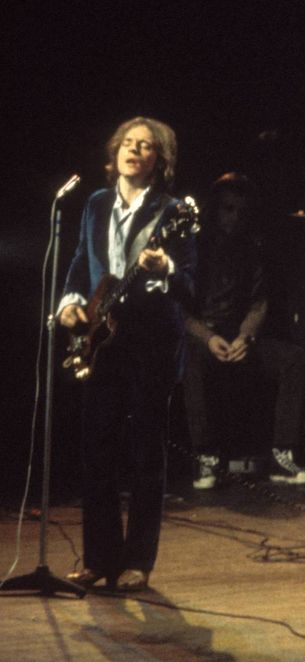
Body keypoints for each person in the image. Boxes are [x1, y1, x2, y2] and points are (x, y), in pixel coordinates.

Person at [57, 117, 198, 591]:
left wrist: (164, 268)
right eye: (129, 144)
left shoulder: (172, 211)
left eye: (146, 146)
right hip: (102, 341)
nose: (135, 151)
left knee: (144, 455)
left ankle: (139, 561)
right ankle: (99, 557)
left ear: (160, 160)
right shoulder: (96, 204)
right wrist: (71, 304)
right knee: (96, 448)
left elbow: (189, 283)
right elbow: (82, 261)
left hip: (152, 343)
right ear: (115, 151)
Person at [183, 173, 305, 489]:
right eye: (228, 209)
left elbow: (259, 302)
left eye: (241, 211)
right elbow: (180, 311)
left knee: (293, 358)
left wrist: (246, 337)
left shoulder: (253, 250)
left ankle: (283, 452)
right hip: (202, 337)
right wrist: (208, 337)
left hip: (237, 337)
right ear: (215, 210)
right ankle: (205, 457)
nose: (234, 218)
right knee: (189, 362)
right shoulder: (193, 249)